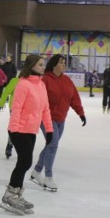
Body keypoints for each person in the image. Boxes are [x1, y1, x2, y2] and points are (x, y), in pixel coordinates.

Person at [0, 55, 53, 215]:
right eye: (41, 65)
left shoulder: (41, 85)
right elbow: (17, 108)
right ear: (32, 66)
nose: (43, 67)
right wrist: (14, 130)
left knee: (25, 163)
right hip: (19, 129)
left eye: (44, 64)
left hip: (31, 130)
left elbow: (45, 110)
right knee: (25, 162)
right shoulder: (23, 84)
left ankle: (15, 194)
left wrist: (49, 130)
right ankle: (10, 195)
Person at [30, 54, 86, 192]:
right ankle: (48, 177)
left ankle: (36, 171)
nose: (64, 65)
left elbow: (74, 98)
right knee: (53, 145)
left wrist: (81, 113)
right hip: (47, 118)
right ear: (54, 64)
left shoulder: (67, 80)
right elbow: (37, 99)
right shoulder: (45, 80)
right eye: (61, 62)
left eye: (64, 62)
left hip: (61, 119)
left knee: (50, 145)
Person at [0, 75, 19, 159]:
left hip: (27, 110)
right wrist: (1, 103)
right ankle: (10, 144)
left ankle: (20, 148)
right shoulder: (15, 80)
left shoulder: (32, 81)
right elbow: (6, 92)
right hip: (14, 108)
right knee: (14, 128)